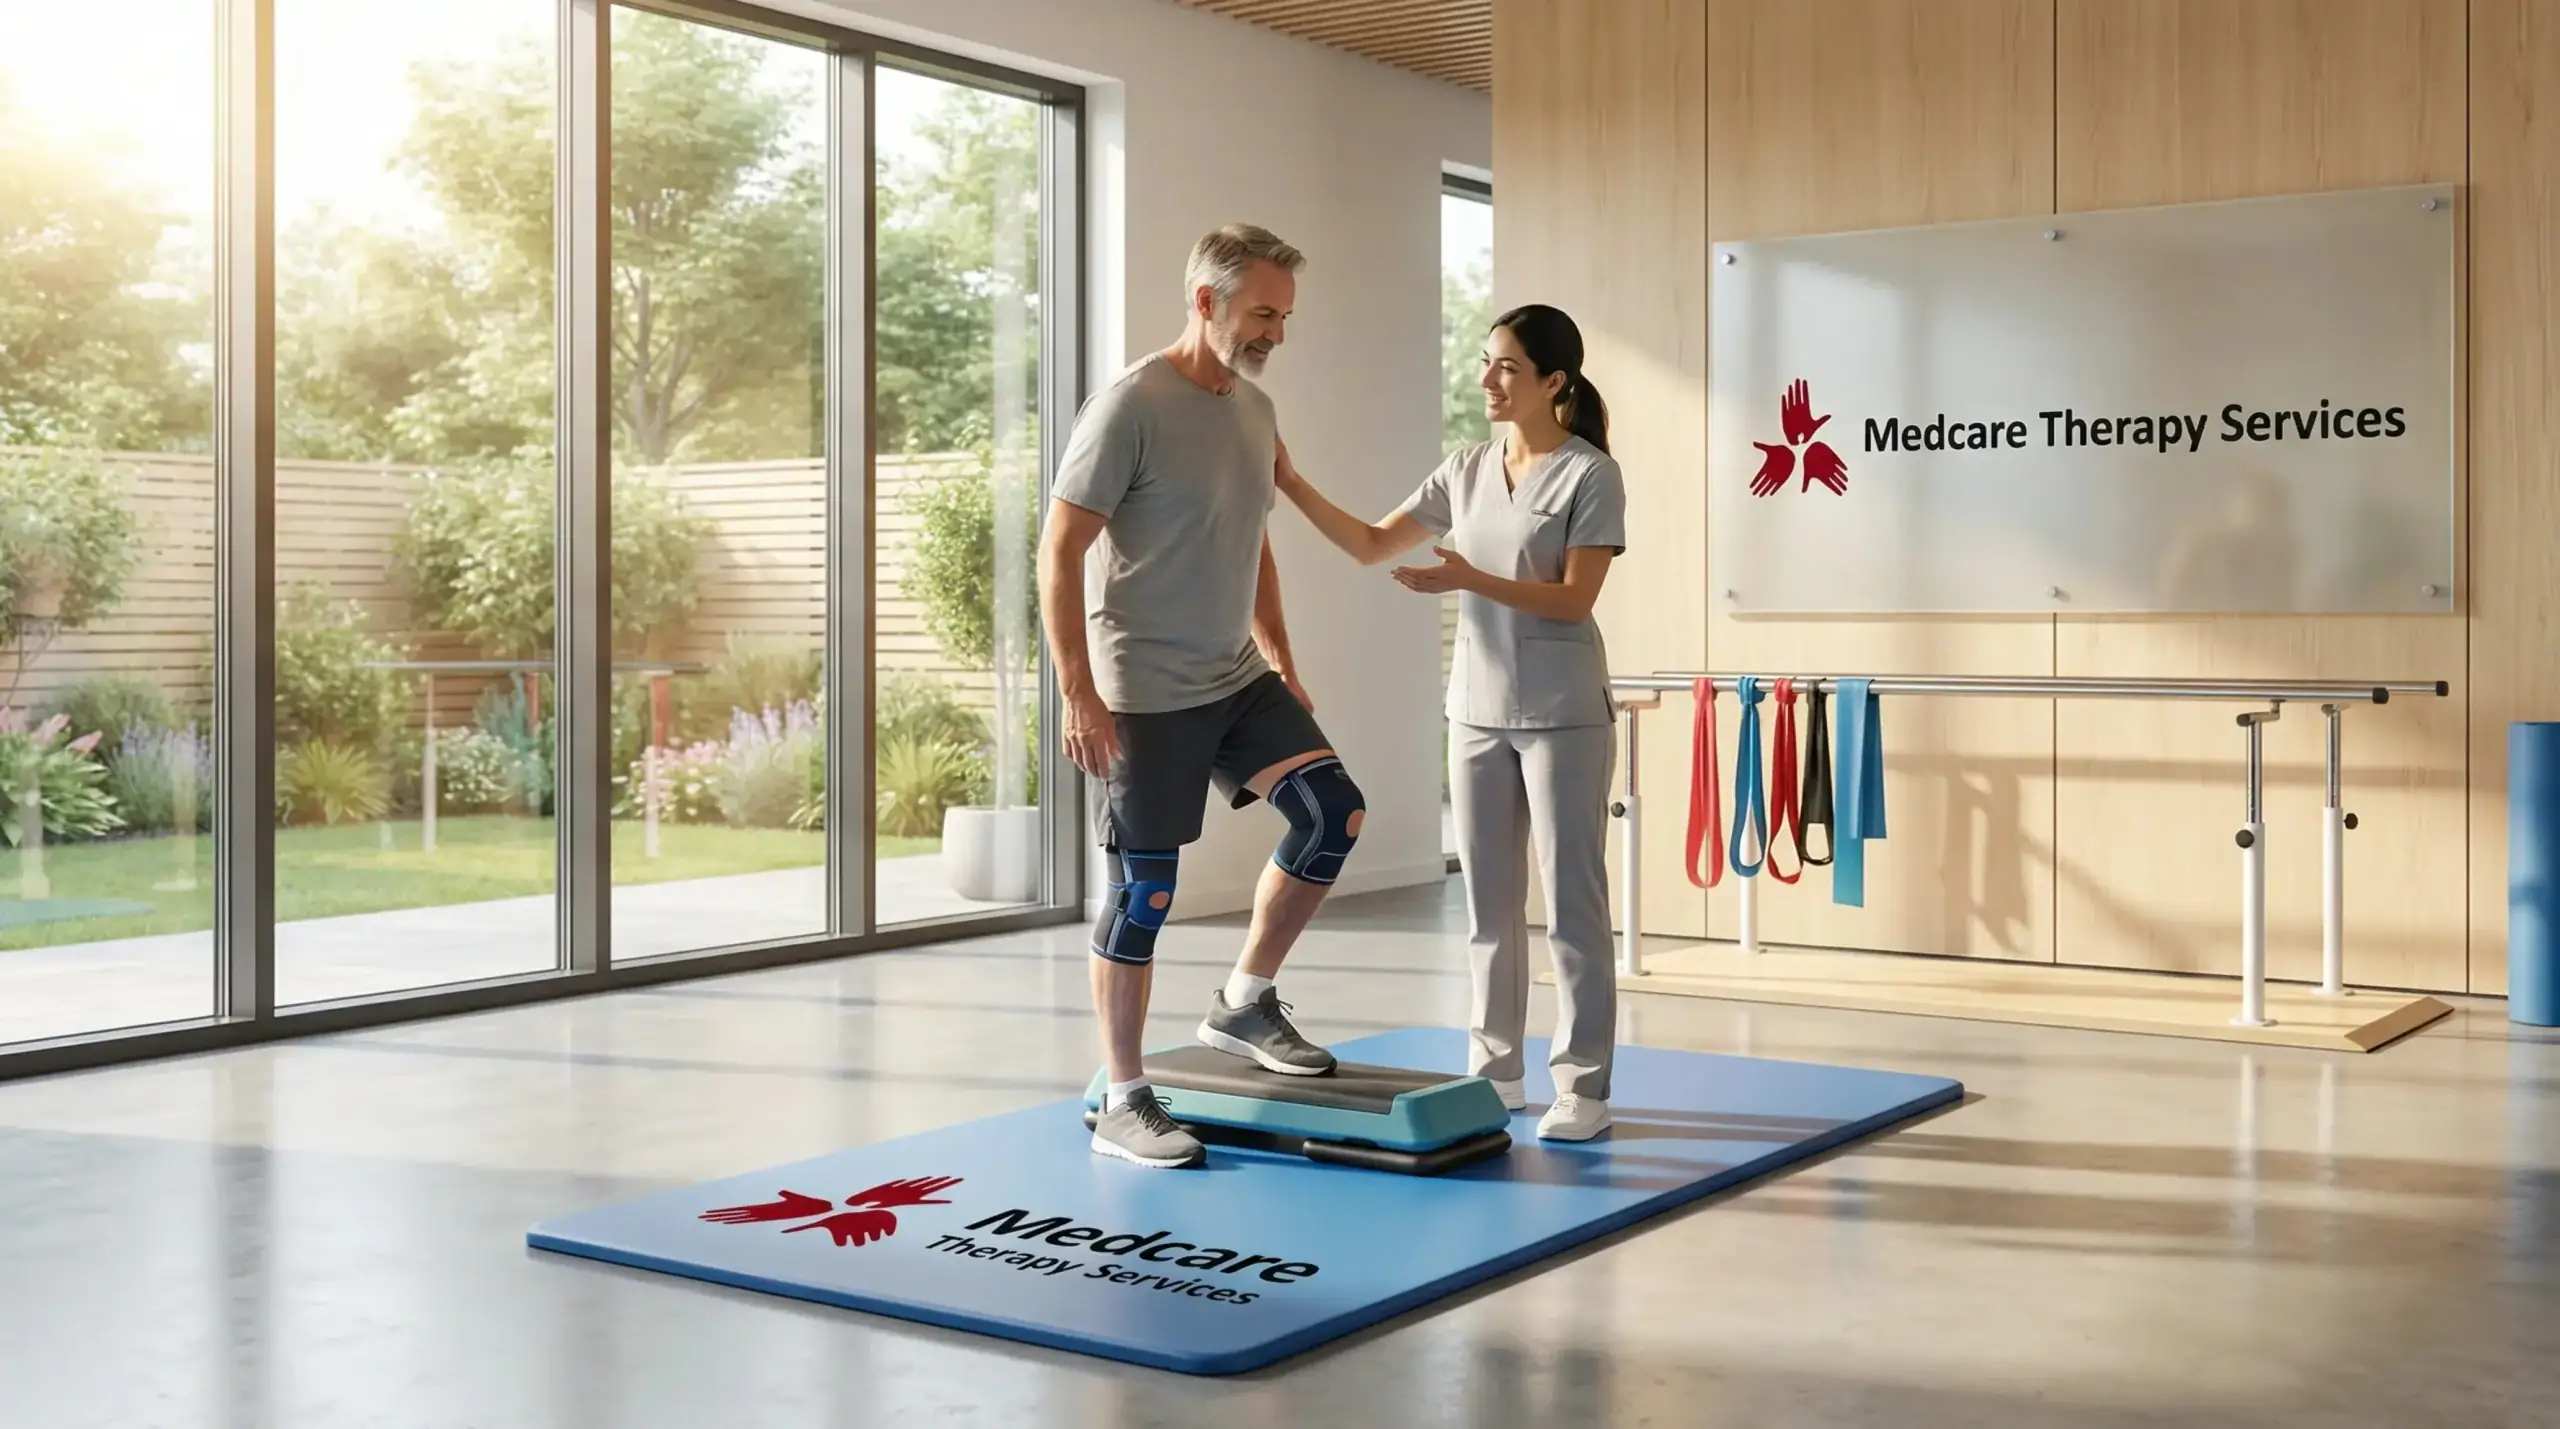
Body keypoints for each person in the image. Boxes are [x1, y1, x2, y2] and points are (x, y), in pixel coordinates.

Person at [1039, 223, 1367, 1170]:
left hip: (1236, 675)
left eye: (1284, 315)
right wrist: (1078, 691)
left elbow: (1253, 536)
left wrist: (1279, 652)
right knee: (1145, 892)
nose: (1275, 332)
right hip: (1143, 686)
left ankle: (1243, 1002)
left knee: (1331, 814)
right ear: (1205, 301)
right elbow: (1059, 551)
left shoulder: (1255, 411)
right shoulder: (1130, 406)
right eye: (1262, 311)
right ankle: (1126, 1097)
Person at [1270, 303, 1624, 1142]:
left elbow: (1575, 598)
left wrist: (1469, 577)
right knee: (1487, 906)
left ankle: (1584, 1085)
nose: (1487, 380)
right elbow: (1367, 542)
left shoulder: (1589, 475)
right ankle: (1495, 1071)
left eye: (1505, 366)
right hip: (1475, 711)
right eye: (1486, 362)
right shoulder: (1464, 467)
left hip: (1563, 714)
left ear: (1554, 381)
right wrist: (1287, 481)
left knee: (1571, 902)